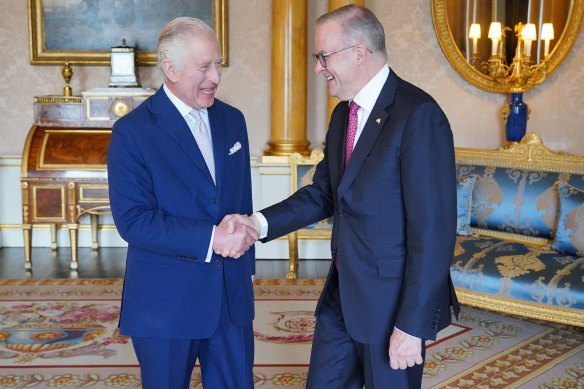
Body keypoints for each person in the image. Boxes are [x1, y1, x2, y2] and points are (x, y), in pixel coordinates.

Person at [222, 5, 460, 388]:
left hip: (392, 306)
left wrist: (411, 326)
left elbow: (433, 233)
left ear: (359, 52)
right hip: (342, 296)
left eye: (323, 56)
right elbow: (324, 194)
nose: (318, 68)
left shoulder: (417, 116)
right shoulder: (342, 117)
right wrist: (256, 223)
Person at [107, 17, 257, 389]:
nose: (216, 76)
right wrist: (212, 239)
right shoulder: (132, 132)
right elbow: (134, 221)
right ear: (170, 69)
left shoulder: (233, 120)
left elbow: (241, 200)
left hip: (229, 298)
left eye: (218, 63)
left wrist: (243, 263)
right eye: (204, 66)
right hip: (165, 302)